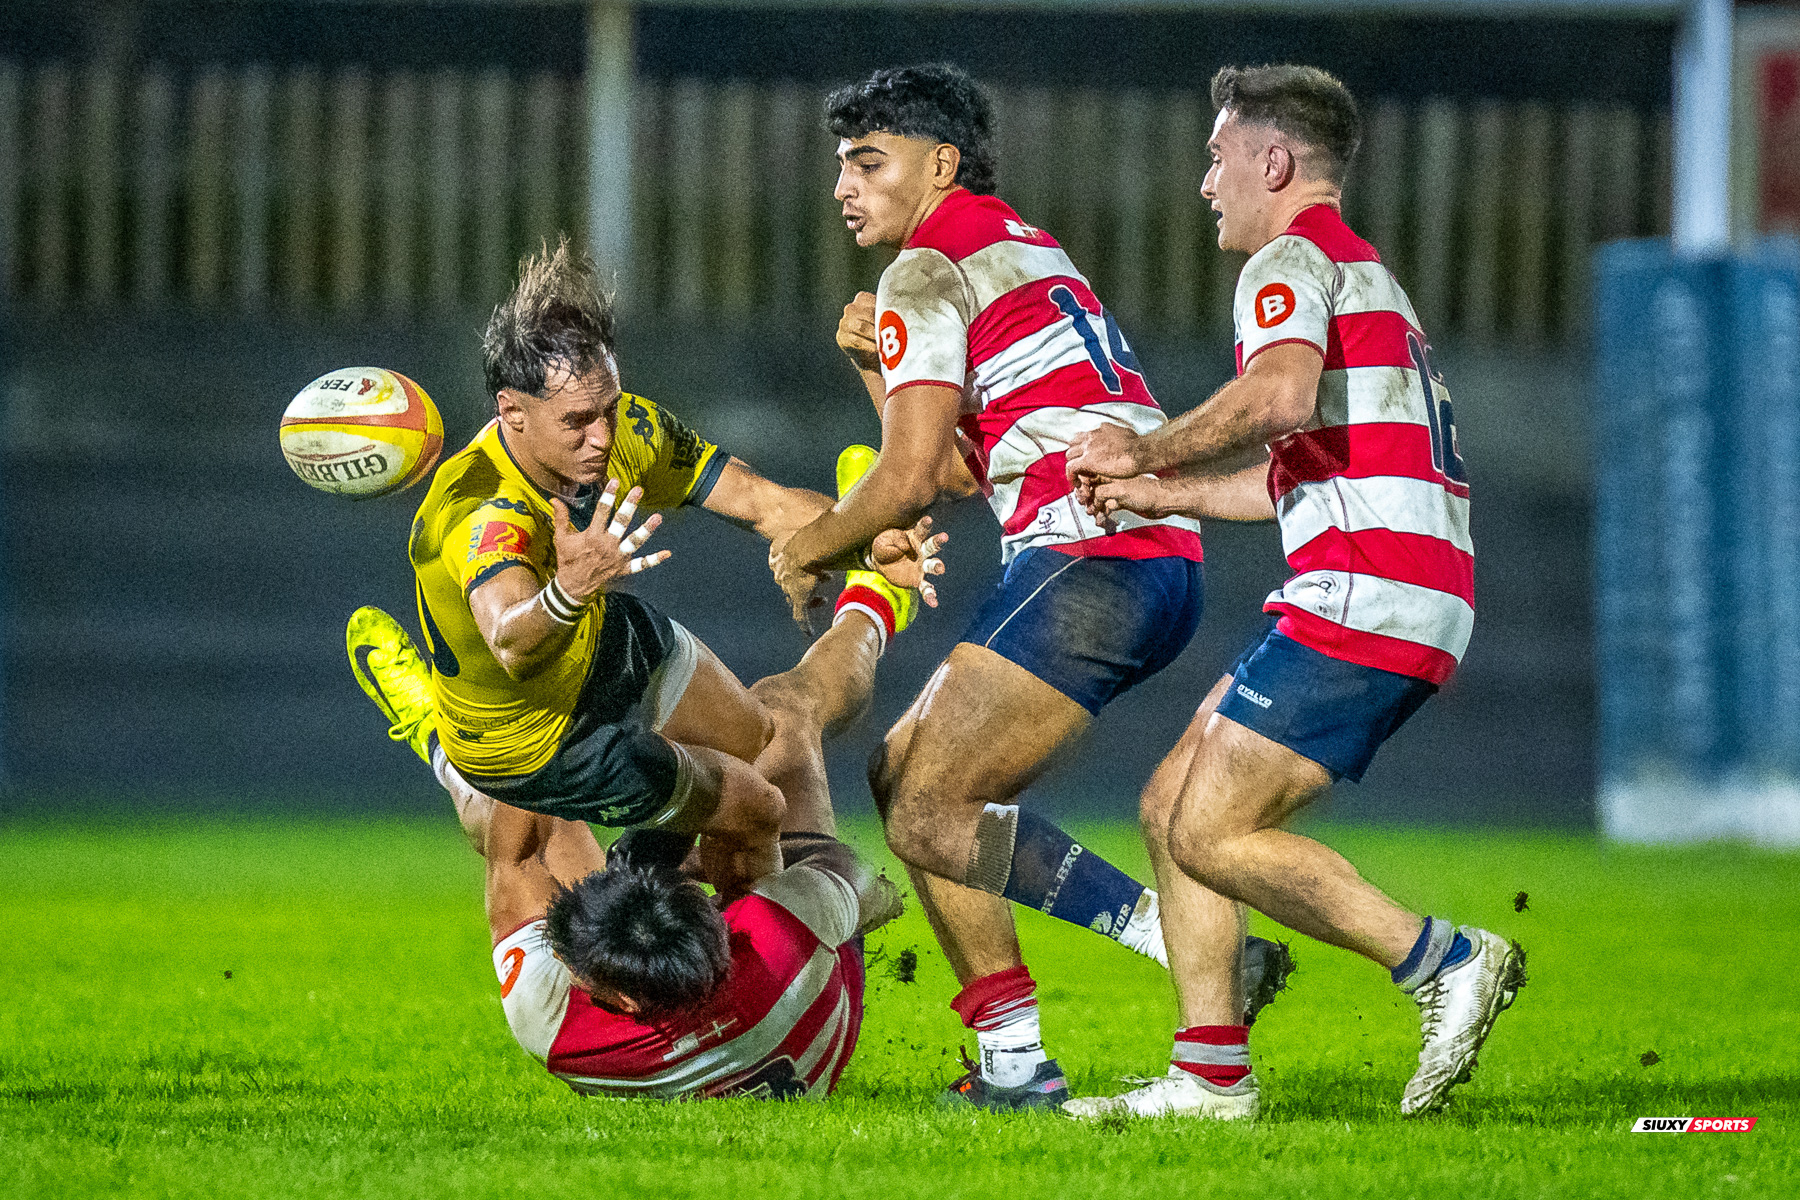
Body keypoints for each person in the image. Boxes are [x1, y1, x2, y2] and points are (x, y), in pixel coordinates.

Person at [769, 63, 1291, 1110]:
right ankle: (1013, 1062)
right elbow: (960, 469)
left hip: (1094, 556)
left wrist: (810, 546)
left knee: (926, 808)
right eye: (841, 167)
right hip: (1142, 555)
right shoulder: (1019, 246)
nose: (845, 188)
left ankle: (1168, 947)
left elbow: (911, 481)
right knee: (905, 775)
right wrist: (875, 370)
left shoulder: (927, 269)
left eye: (869, 163)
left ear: (941, 163)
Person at [1061, 64, 1524, 1121]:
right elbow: (1299, 478)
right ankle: (1211, 1076)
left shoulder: (1289, 257)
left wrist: (1141, 441)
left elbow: (1278, 397)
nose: (1204, 183)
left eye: (1218, 157)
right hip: (1389, 586)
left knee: (1212, 831)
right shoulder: (1367, 278)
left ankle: (1443, 960)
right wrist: (1157, 489)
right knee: (1171, 803)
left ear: (1275, 162)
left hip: (1367, 592)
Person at [384, 236, 943, 891]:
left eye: (610, 409)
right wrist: (567, 589)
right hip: (530, 737)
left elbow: (763, 502)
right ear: (513, 413)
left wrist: (871, 542)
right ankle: (446, 749)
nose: (602, 436)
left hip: (599, 638)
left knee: (758, 745)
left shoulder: (630, 431)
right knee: (735, 814)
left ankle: (665, 883)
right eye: (577, 422)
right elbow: (511, 638)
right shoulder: (483, 507)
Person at [350, 604, 902, 1099]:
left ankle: (442, 742)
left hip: (748, 980)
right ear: (716, 924)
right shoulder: (783, 936)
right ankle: (875, 600)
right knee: (781, 711)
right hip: (785, 976)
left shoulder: (555, 1023)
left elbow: (516, 856)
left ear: (622, 1002)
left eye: (570, 956)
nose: (562, 954)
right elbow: (784, 823)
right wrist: (858, 905)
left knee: (513, 809)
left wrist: (512, 710)